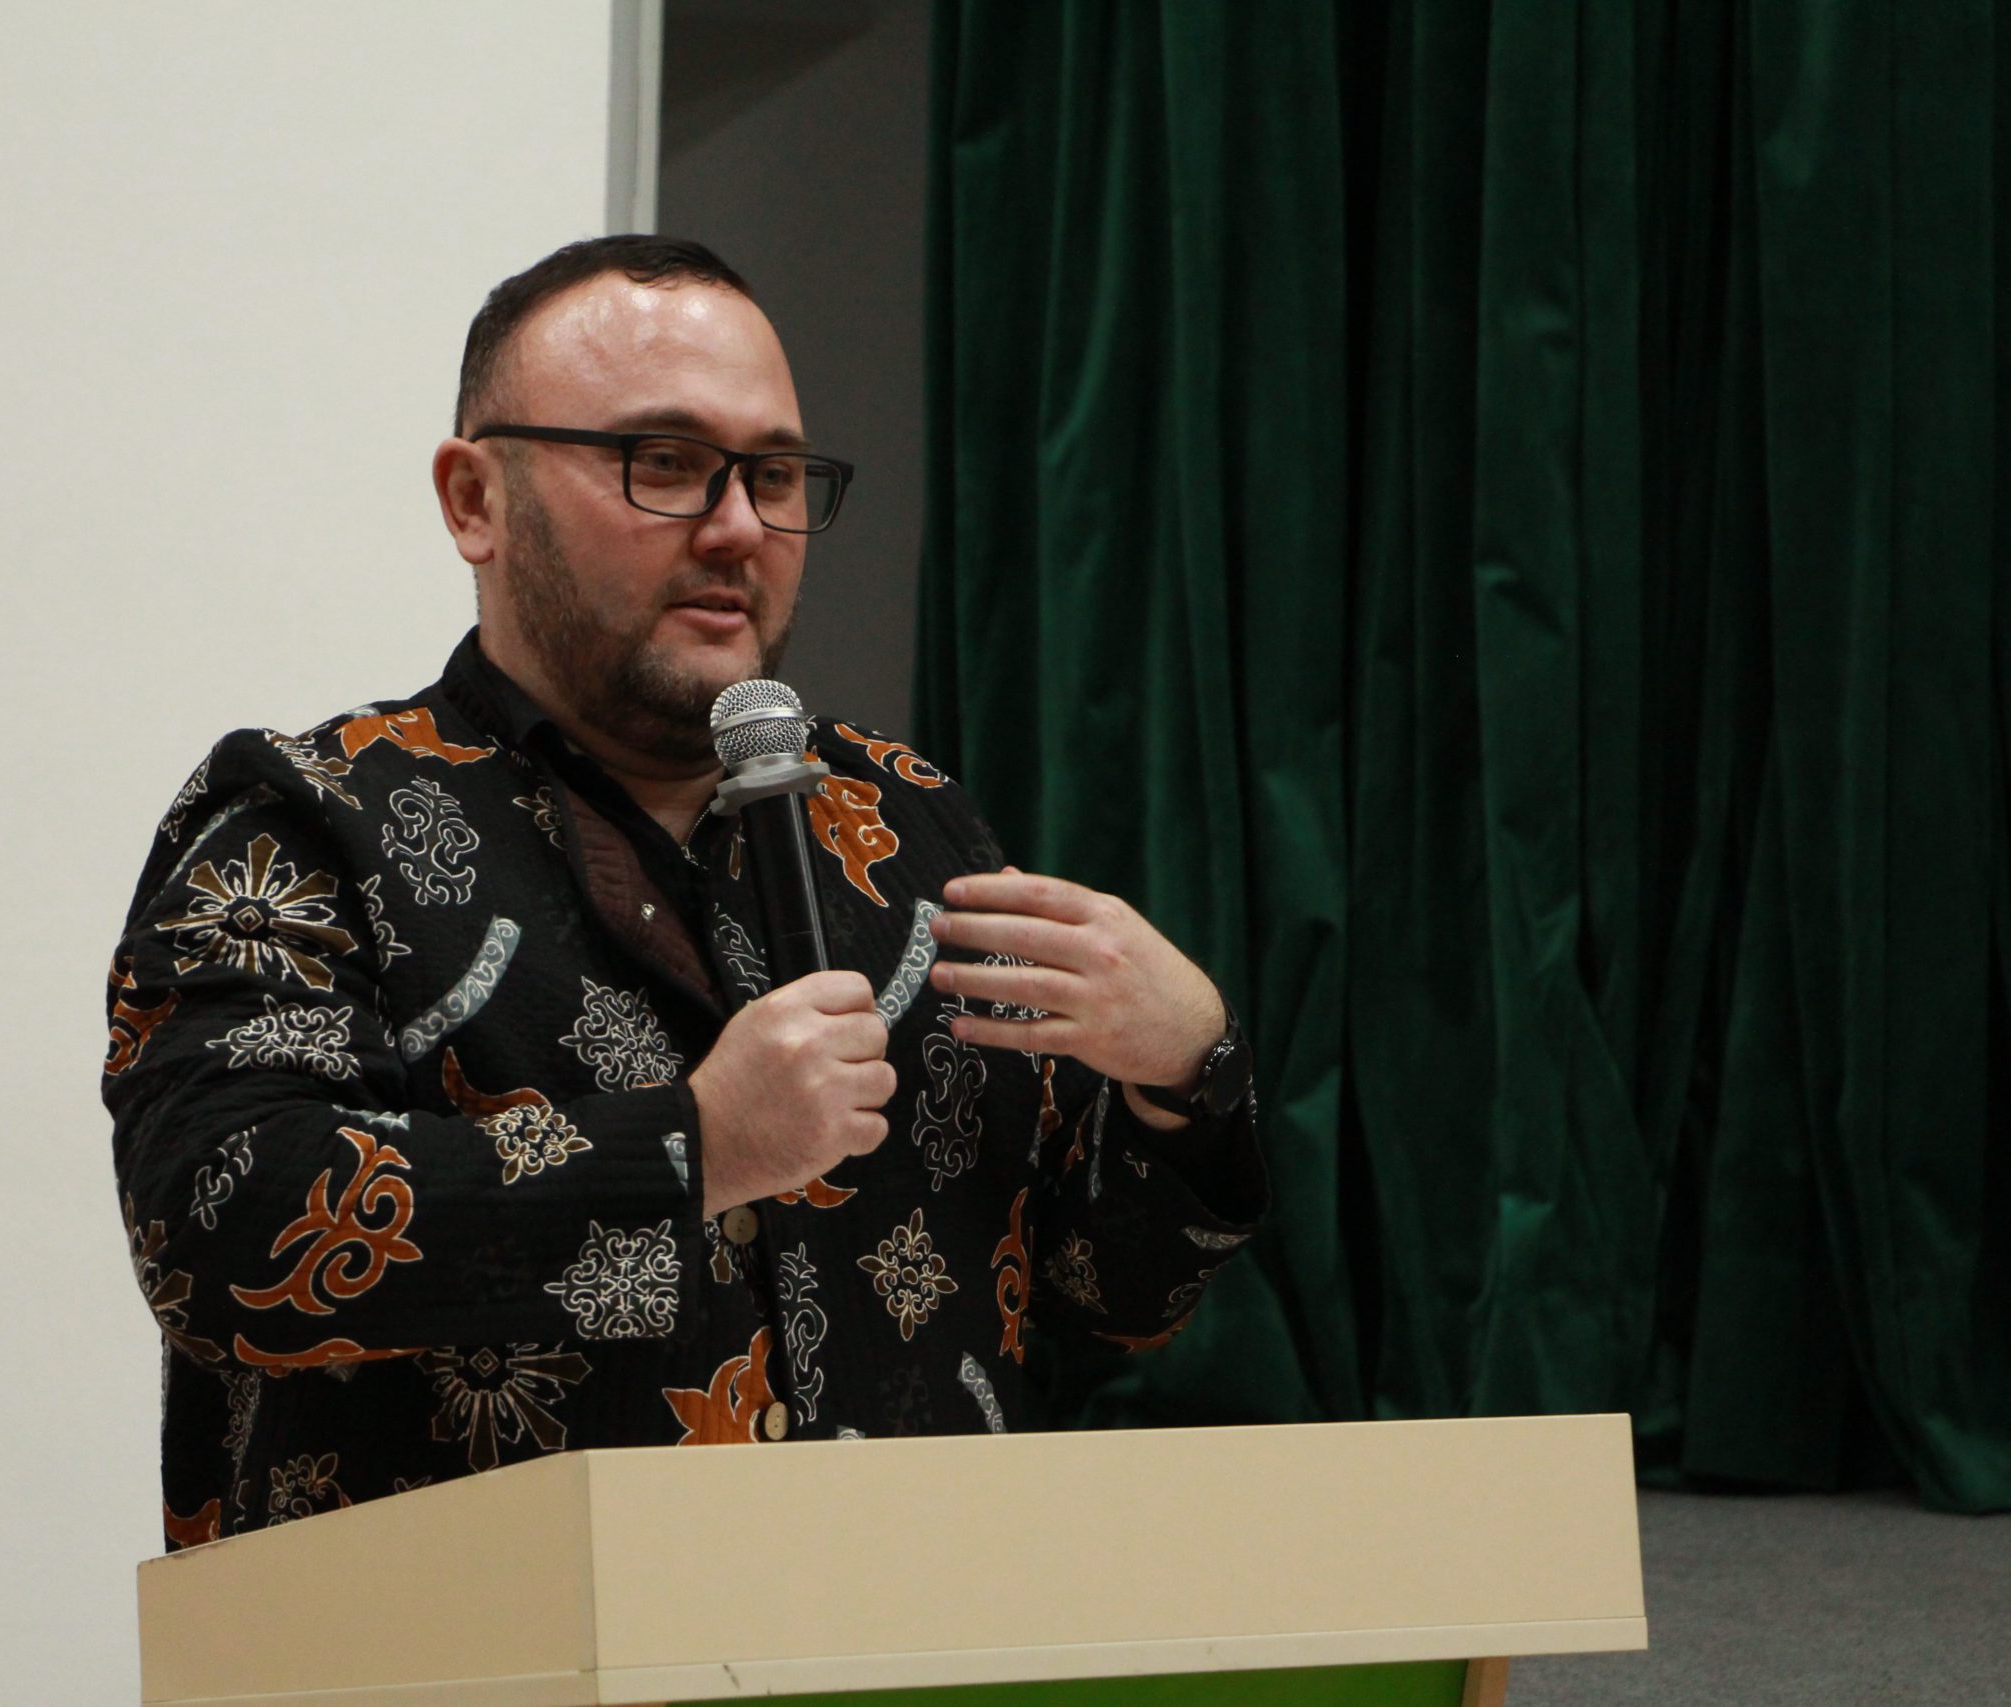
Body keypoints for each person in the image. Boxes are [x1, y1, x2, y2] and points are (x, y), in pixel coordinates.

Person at [103, 235, 1267, 1549]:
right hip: (475, 1632)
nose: (738, 528)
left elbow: (1097, 1294)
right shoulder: (310, 817)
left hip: (894, 1623)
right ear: (476, 500)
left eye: (773, 475)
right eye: (663, 464)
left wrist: (1188, 1077)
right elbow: (219, 1220)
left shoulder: (912, 827)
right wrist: (692, 1146)